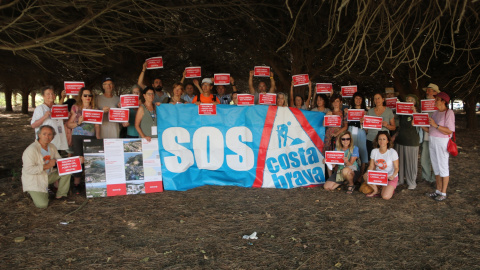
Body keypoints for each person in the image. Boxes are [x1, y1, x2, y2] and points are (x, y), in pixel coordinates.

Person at [21, 125, 73, 208]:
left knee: (67, 170)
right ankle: (31, 191)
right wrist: (47, 166)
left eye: (50, 134)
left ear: (53, 136)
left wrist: (75, 160)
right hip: (35, 180)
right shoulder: (31, 150)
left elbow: (60, 161)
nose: (47, 137)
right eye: (44, 134)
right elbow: (29, 170)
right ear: (39, 135)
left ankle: (60, 195)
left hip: (48, 176)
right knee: (42, 205)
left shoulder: (51, 146)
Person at [66, 88, 101, 194]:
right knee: (78, 160)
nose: (87, 98)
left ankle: (91, 184)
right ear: (81, 96)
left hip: (91, 137)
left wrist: (98, 139)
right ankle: (76, 184)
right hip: (77, 137)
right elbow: (68, 124)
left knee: (91, 160)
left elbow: (97, 126)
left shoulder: (95, 108)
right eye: (85, 95)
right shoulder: (76, 108)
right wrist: (78, 123)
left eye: (89, 95)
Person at [422, 92, 455, 201]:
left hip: (442, 142)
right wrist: (421, 125)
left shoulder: (449, 113)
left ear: (443, 101)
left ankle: (444, 192)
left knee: (443, 167)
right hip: (432, 140)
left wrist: (436, 125)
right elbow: (431, 129)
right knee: (436, 166)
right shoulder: (435, 113)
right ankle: (438, 190)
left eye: (437, 100)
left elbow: (449, 130)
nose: (435, 101)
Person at [392, 94, 421, 189]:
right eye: (407, 100)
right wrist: (395, 136)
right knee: (400, 162)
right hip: (400, 140)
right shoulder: (402, 113)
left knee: (411, 162)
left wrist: (414, 112)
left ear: (415, 102)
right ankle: (399, 179)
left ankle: (411, 181)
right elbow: (399, 126)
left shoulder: (418, 112)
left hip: (412, 141)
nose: (409, 102)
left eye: (411, 100)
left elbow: (420, 123)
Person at [363, 131, 399, 200]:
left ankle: (388, 188)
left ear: (388, 141)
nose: (381, 141)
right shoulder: (374, 151)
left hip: (389, 177)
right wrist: (368, 173)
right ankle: (376, 190)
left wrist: (393, 176)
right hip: (379, 176)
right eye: (380, 139)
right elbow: (371, 166)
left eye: (384, 139)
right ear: (377, 140)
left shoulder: (392, 152)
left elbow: (396, 168)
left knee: (385, 197)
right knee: (365, 176)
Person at [31, 86, 68, 151]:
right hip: (45, 143)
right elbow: (33, 125)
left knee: (56, 159)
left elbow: (61, 121)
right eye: (48, 94)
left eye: (52, 93)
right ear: (43, 96)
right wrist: (44, 117)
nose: (51, 95)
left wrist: (66, 116)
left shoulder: (57, 107)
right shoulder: (40, 108)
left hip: (57, 142)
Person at [420, 83, 440, 184]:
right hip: (426, 135)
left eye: (429, 90)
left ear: (435, 92)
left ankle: (434, 178)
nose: (427, 92)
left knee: (436, 159)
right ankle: (426, 177)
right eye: (427, 90)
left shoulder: (439, 104)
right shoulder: (423, 104)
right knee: (424, 157)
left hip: (437, 136)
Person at [364, 92, 396, 158]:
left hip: (383, 141)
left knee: (383, 159)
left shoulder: (388, 111)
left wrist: (387, 125)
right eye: (375, 99)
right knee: (372, 159)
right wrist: (363, 124)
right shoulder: (370, 111)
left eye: (378, 98)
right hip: (371, 139)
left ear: (383, 99)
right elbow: (367, 129)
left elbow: (394, 127)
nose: (377, 100)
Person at [345, 92, 368, 175]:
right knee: (351, 150)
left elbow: (368, 127)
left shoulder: (366, 111)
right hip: (351, 130)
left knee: (362, 150)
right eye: (356, 98)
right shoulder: (348, 109)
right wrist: (346, 113)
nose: (358, 100)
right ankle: (351, 173)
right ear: (353, 100)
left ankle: (361, 175)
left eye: (360, 98)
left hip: (361, 131)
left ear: (362, 100)